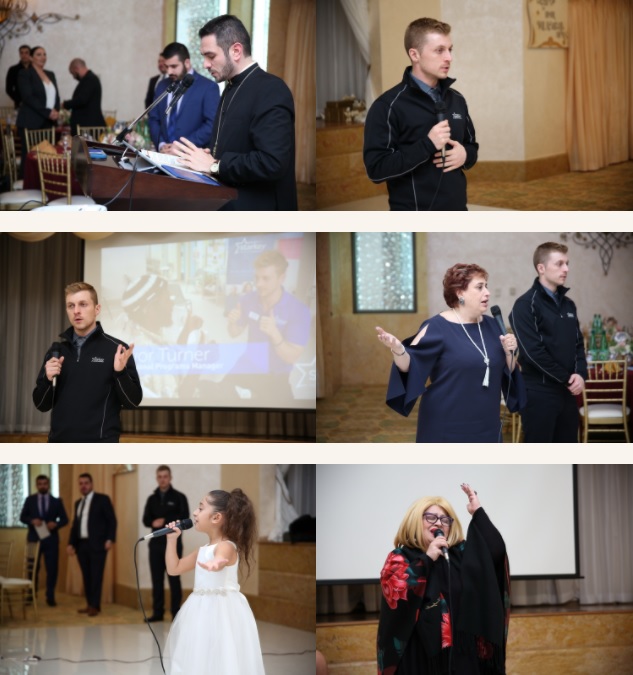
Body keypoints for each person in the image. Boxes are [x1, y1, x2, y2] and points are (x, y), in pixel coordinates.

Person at [376, 263, 524, 442]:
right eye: (480, 287)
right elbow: (411, 366)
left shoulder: (493, 326)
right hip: (445, 424)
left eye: (486, 286)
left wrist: (509, 353)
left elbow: (508, 370)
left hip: (487, 423)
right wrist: (399, 350)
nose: (487, 292)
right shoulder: (437, 327)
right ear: (460, 293)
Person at [377, 484, 510, 674]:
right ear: (415, 521)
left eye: (445, 520)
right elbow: (397, 596)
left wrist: (478, 512)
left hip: (461, 656)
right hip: (419, 658)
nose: (439, 524)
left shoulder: (459, 555)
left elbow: (495, 552)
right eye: (431, 517)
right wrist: (427, 559)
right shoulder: (400, 557)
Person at [172, 14, 298, 210]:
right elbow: (236, 145)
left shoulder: (272, 89)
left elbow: (272, 162)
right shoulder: (230, 87)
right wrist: (205, 156)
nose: (205, 64)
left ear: (236, 51)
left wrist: (215, 165)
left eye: (210, 56)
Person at [364, 18, 478, 210]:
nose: (449, 57)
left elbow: (471, 146)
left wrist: (465, 154)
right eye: (439, 50)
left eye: (450, 49)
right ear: (414, 54)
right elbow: (376, 170)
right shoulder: (387, 106)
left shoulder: (457, 99)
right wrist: (427, 145)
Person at [163, 488, 265, 674]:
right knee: (199, 654)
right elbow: (174, 568)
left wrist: (216, 563)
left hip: (222, 610)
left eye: (201, 508)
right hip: (200, 609)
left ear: (216, 518)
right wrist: (171, 540)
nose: (195, 513)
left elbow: (221, 556)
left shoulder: (227, 546)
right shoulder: (202, 550)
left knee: (221, 655)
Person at [32, 281, 143, 442]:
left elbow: (133, 401)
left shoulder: (117, 350)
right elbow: (41, 405)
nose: (76, 311)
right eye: (71, 306)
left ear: (97, 309)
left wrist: (121, 373)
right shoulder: (56, 352)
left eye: (83, 304)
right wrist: (48, 380)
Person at [509, 242, 587, 443]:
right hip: (539, 394)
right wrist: (568, 378)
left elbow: (578, 344)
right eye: (559, 264)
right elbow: (533, 353)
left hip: (567, 393)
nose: (566, 269)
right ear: (541, 268)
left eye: (567, 263)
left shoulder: (569, 304)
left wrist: (580, 374)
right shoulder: (525, 305)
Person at [227, 249, 311, 401]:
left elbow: (291, 357)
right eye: (257, 277)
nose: (259, 284)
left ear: (281, 278)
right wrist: (232, 322)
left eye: (266, 278)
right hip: (247, 366)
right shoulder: (248, 300)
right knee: (217, 396)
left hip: (275, 376)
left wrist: (274, 333)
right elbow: (234, 333)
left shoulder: (299, 310)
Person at [148, 42, 219, 156]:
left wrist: (182, 146)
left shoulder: (208, 87)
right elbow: (153, 119)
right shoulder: (161, 85)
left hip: (192, 157)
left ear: (187, 63)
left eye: (174, 66)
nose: (169, 72)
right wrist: (161, 144)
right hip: (163, 155)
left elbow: (211, 125)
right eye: (167, 67)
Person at [142, 465, 190, 622]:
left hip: (174, 545)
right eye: (160, 477)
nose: (162, 479)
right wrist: (152, 522)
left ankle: (176, 613)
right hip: (155, 545)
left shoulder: (179, 497)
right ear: (157, 478)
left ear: (170, 478)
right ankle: (158, 613)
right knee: (157, 579)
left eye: (165, 476)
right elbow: (145, 519)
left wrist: (165, 521)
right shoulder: (151, 499)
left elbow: (185, 518)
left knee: (174, 578)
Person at [67, 473, 117, 617]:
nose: (83, 486)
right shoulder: (78, 503)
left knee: (96, 575)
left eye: (86, 483)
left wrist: (110, 539)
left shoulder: (102, 499)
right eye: (81, 483)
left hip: (98, 545)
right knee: (86, 576)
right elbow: (75, 525)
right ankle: (90, 604)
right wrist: (71, 543)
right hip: (81, 545)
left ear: (92, 484)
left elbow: (112, 521)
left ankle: (95, 605)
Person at [19, 474, 69, 607]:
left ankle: (50, 596)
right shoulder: (30, 500)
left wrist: (56, 524)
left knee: (52, 568)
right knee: (32, 567)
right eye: (40, 484)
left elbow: (65, 519)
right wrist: (32, 520)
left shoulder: (56, 501)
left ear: (48, 485)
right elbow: (22, 517)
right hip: (33, 538)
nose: (42, 486)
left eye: (45, 484)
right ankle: (31, 594)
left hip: (51, 539)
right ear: (36, 485)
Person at [16, 46, 60, 177]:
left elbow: (56, 97)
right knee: (30, 157)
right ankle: (26, 184)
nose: (43, 57)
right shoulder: (25, 74)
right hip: (30, 122)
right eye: (39, 54)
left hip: (48, 122)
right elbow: (28, 97)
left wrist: (56, 111)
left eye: (44, 54)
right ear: (31, 57)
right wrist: (47, 112)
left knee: (47, 156)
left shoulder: (51, 74)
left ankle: (45, 184)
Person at [62, 58, 106, 136]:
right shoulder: (88, 79)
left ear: (76, 69)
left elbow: (81, 100)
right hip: (87, 126)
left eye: (73, 73)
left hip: (89, 127)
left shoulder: (90, 79)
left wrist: (65, 104)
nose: (74, 77)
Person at [5, 44, 31, 109]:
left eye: (26, 53)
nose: (24, 55)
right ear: (19, 54)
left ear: (30, 54)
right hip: (20, 105)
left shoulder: (36, 69)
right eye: (21, 53)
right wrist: (18, 100)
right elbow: (9, 89)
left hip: (36, 105)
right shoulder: (13, 70)